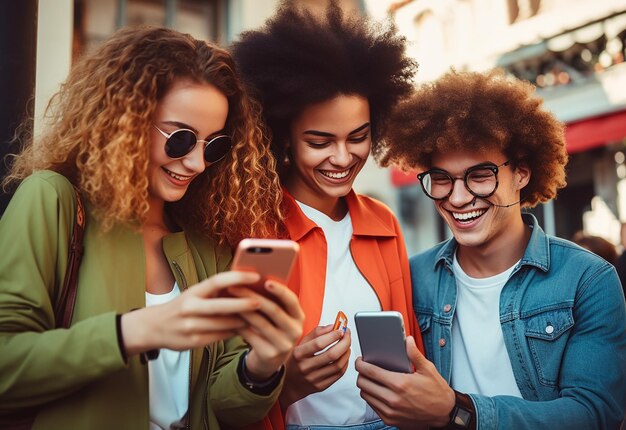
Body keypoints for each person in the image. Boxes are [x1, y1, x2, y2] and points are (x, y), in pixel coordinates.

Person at [0, 26, 305, 430]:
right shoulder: (53, 200)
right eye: (181, 139)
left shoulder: (205, 236)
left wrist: (262, 365)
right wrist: (135, 331)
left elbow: (226, 409)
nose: (197, 163)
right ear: (124, 120)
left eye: (213, 145)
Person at [355, 69, 626, 429]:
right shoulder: (411, 277)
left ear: (522, 173)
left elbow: (594, 415)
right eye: (441, 179)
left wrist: (457, 410)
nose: (458, 197)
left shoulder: (587, 280)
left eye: (480, 175)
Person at [231, 2, 423, 429]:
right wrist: (287, 383)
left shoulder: (383, 223)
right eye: (319, 141)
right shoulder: (255, 230)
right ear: (283, 136)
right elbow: (227, 382)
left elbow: (411, 348)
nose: (342, 157)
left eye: (358, 137)